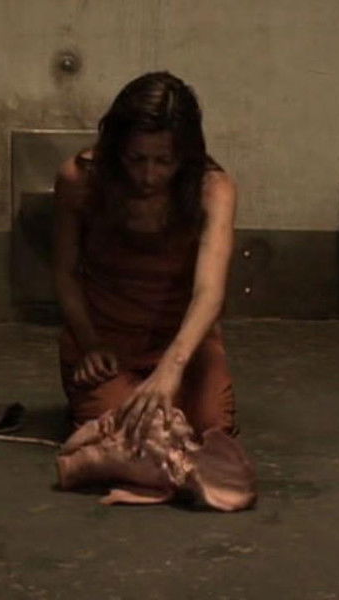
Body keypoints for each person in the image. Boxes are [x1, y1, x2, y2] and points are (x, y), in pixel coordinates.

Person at [53, 71, 237, 438]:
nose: (148, 175)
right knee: (130, 434)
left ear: (185, 156)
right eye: (136, 159)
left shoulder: (213, 189)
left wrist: (173, 365)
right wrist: (89, 344)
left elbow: (209, 292)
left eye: (164, 161)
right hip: (107, 340)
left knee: (209, 430)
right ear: (116, 148)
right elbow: (65, 272)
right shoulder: (80, 180)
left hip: (183, 340)